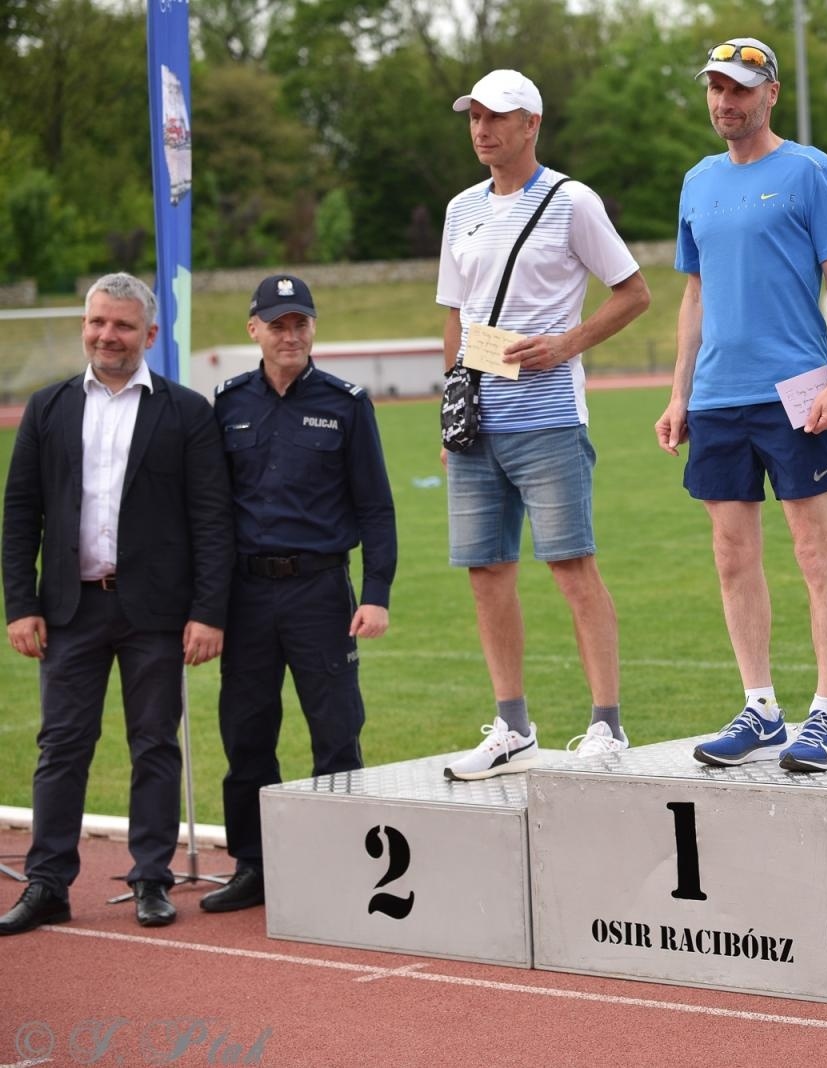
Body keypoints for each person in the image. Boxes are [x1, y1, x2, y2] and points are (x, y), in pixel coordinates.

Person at [1, 273, 232, 934]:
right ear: (85, 325)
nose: (108, 335)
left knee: (155, 745)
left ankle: (151, 879)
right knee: (62, 746)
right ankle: (48, 882)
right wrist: (21, 604)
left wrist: (209, 612)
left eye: (123, 326)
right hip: (69, 609)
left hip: (156, 613)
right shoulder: (47, 409)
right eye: (98, 322)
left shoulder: (187, 414)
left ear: (150, 335)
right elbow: (20, 515)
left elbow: (213, 521)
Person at [655, 37, 827, 773]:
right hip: (717, 398)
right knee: (731, 557)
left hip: (795, 390)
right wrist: (680, 392)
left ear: (769, 93)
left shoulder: (808, 170)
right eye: (715, 88)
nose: (724, 102)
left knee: (815, 550)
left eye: (739, 88)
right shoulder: (698, 181)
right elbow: (696, 292)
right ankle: (761, 707)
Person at [437, 69, 650, 778]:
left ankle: (607, 724)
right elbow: (454, 315)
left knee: (570, 565)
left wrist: (564, 345)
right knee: (486, 572)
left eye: (496, 117)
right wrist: (451, 410)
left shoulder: (570, 201)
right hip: (478, 421)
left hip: (549, 416)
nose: (481, 129)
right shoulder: (460, 208)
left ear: (532, 123)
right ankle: (511, 724)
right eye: (473, 118)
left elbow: (634, 292)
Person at [198, 275, 398, 914]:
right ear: (252, 328)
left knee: (336, 733)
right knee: (247, 734)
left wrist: (377, 592)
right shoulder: (226, 405)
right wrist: (206, 605)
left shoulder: (346, 404)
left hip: (319, 592)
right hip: (247, 597)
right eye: (277, 323)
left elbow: (376, 506)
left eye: (300, 323)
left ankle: (339, 865)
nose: (290, 335)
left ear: (314, 329)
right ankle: (253, 866)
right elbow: (211, 512)